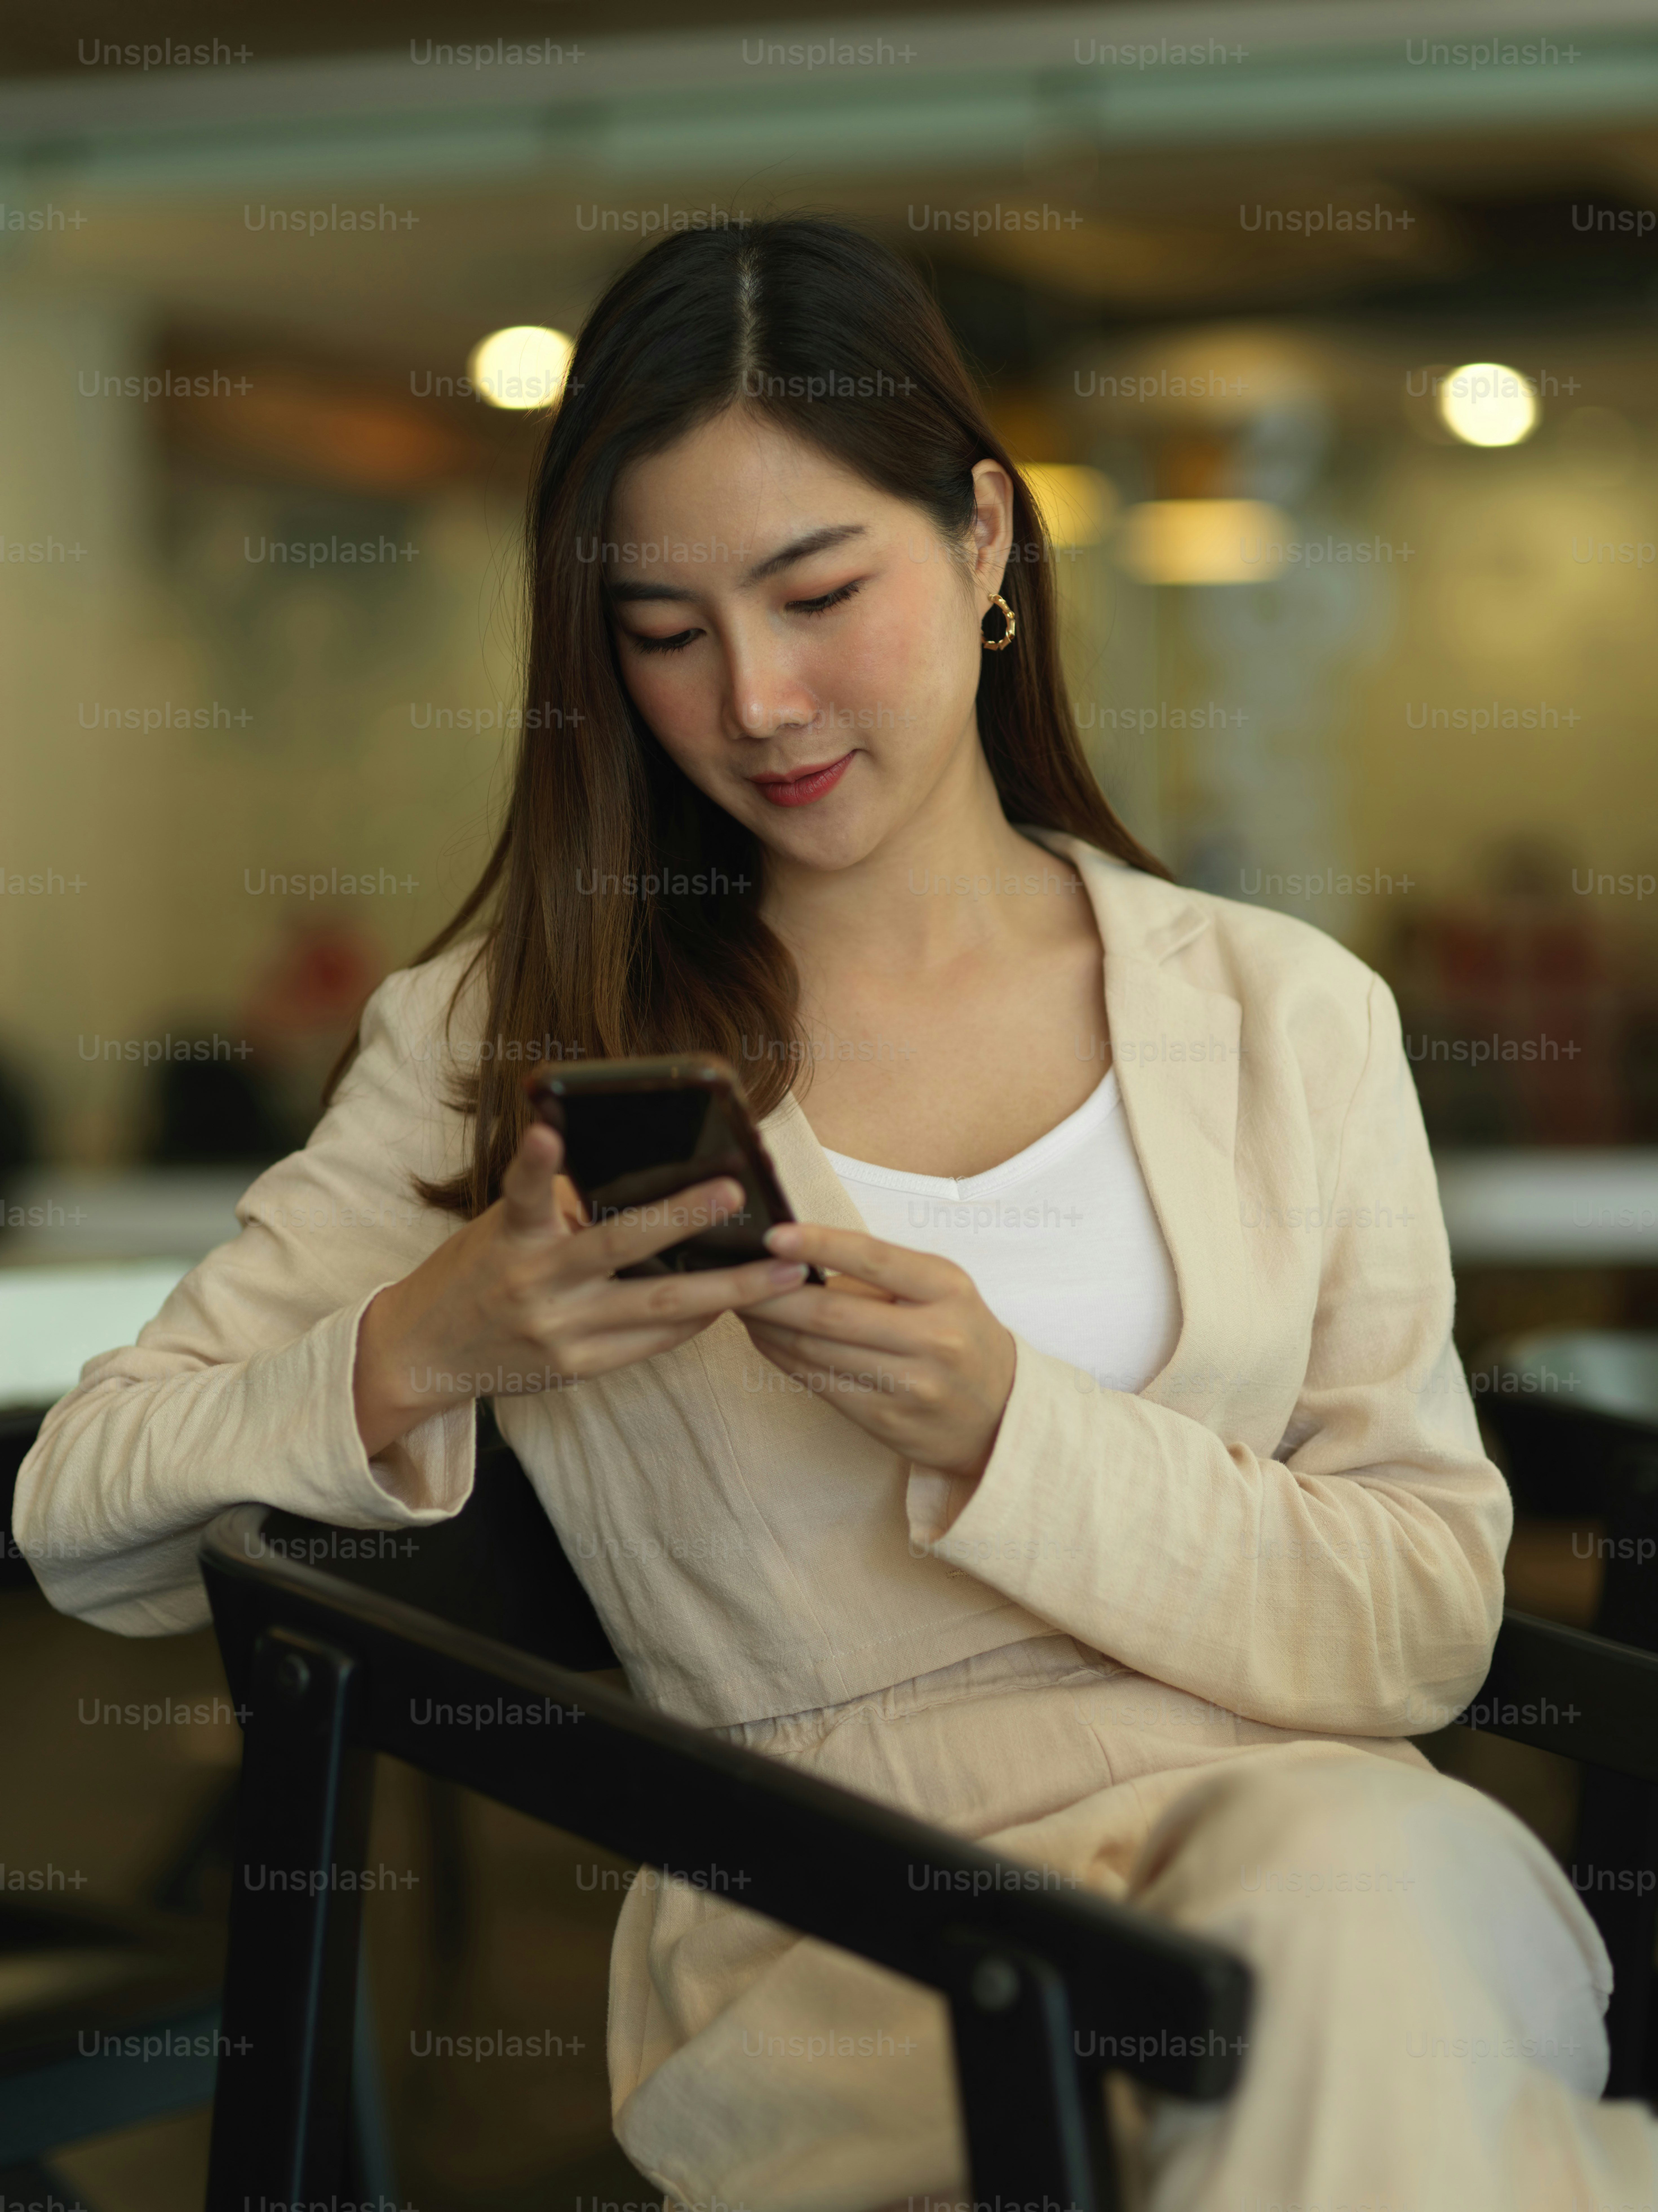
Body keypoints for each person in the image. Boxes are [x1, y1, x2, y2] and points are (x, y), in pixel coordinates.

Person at [14, 217, 1654, 2212]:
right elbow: (82, 1512)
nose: (760, 700)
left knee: (1345, 1903)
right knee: (1418, 2078)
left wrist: (1008, 1426)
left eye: (816, 593)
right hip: (858, 1933)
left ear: (983, 539)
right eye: (664, 630)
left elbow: (1424, 1620)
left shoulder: (1280, 1010)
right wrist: (433, 1339)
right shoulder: (502, 1033)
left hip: (1332, 1846)